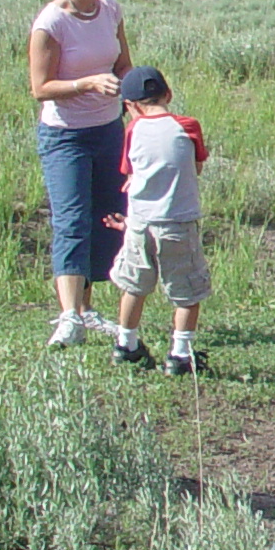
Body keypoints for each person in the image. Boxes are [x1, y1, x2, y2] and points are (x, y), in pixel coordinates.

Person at [28, 0, 132, 349]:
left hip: (109, 129)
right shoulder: (50, 22)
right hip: (65, 136)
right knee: (71, 220)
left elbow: (123, 63)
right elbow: (41, 87)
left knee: (105, 217)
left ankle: (86, 309)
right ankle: (68, 316)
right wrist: (88, 83)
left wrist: (139, 92)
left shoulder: (111, 12)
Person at [105, 66, 210, 373]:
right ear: (168, 95)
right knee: (187, 291)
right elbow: (197, 167)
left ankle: (126, 344)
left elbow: (129, 173)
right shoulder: (188, 126)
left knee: (135, 285)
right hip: (178, 223)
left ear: (131, 106)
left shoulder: (133, 130)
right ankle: (180, 354)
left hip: (140, 224)